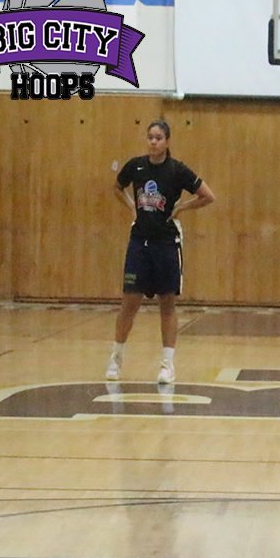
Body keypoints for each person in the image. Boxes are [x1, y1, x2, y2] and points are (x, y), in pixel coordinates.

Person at [105, 119, 215, 384]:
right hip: (139, 242)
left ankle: (167, 365)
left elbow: (208, 195)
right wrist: (132, 206)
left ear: (167, 142)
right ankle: (116, 358)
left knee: (167, 303)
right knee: (129, 303)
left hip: (166, 244)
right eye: (150, 137)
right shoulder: (136, 166)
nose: (153, 142)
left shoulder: (177, 170)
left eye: (158, 138)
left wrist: (180, 208)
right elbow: (117, 187)